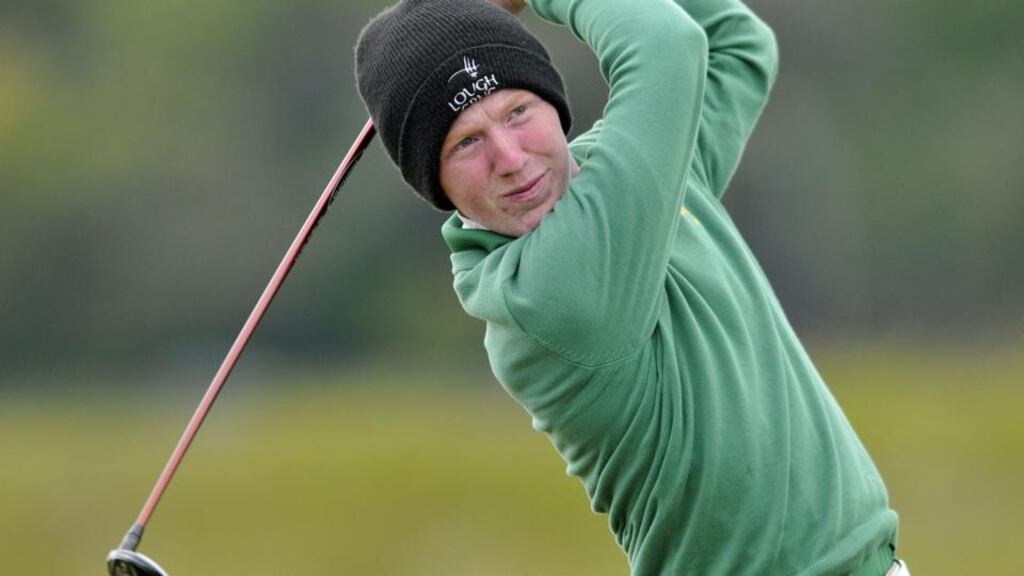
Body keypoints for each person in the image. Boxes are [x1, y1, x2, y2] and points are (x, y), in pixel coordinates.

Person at [355, 0, 907, 573]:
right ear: (433, 181)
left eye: (518, 111)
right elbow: (667, 42)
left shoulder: (630, 175)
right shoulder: (543, 294)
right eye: (465, 143)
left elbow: (734, 44)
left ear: (553, 101)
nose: (512, 158)